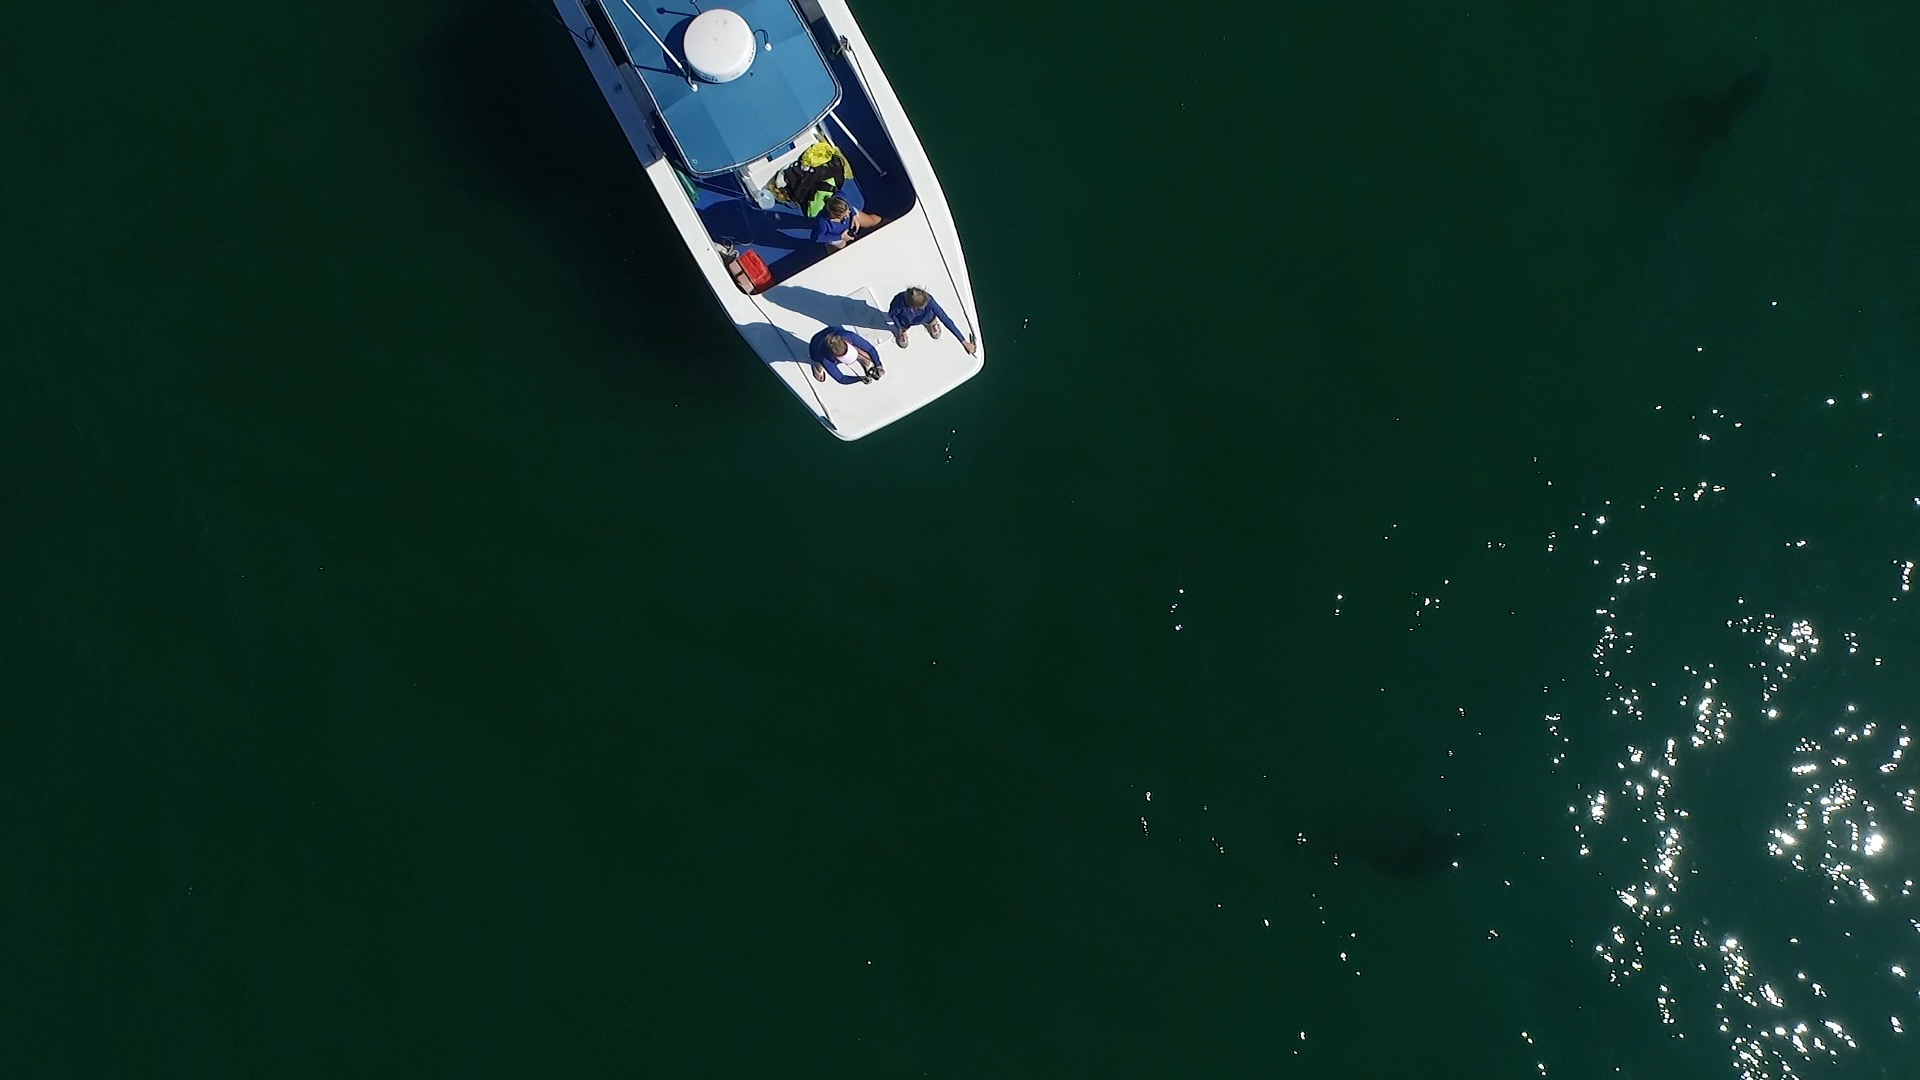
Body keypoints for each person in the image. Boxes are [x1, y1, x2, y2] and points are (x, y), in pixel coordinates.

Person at [887, 287, 976, 354]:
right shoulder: (898, 301)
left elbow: (945, 318)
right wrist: (899, 327)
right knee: (902, 326)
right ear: (912, 306)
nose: (924, 307)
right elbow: (892, 314)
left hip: (928, 317)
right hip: (906, 321)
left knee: (931, 315)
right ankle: (902, 332)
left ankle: (932, 323)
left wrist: (964, 342)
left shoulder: (929, 299)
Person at [808, 327, 883, 384]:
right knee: (817, 359)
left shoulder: (849, 335)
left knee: (860, 350)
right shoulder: (826, 359)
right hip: (815, 346)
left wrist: (879, 364)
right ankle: (818, 366)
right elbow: (841, 378)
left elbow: (870, 349)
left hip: (832, 330)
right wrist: (859, 379)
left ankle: (865, 361)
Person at [813, 196, 883, 249]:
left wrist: (853, 214)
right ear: (834, 216)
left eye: (848, 211)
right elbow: (816, 237)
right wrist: (840, 237)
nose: (847, 215)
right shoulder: (823, 224)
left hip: (852, 218)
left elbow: (842, 195)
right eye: (844, 216)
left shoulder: (840, 199)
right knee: (841, 248)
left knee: (871, 221)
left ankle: (886, 222)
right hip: (836, 235)